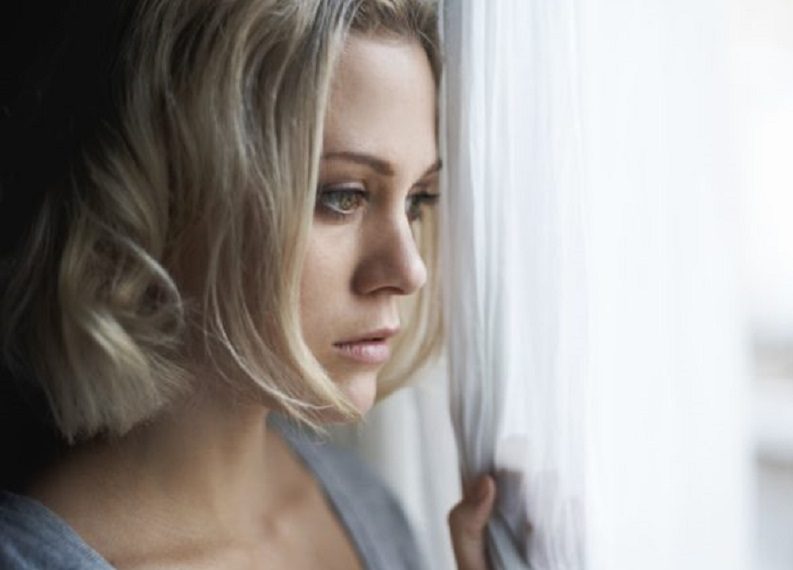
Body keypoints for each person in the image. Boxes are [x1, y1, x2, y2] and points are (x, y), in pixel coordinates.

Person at [0, 0, 494, 568]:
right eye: (342, 196)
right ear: (171, 190)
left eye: (417, 201)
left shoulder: (363, 503)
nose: (409, 271)